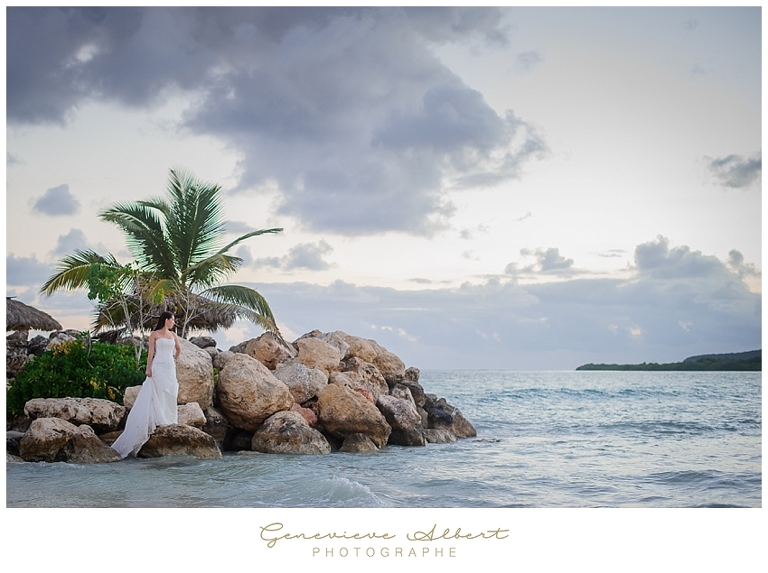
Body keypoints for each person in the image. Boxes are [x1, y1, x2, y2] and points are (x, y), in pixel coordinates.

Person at [111, 312, 182, 458]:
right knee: (157, 391)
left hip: (169, 367)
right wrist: (148, 368)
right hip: (158, 366)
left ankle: (168, 417)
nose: (174, 322)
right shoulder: (154, 334)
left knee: (169, 391)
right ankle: (158, 418)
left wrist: (174, 359)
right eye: (172, 320)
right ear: (166, 320)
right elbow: (150, 353)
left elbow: (179, 349)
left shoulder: (173, 335)